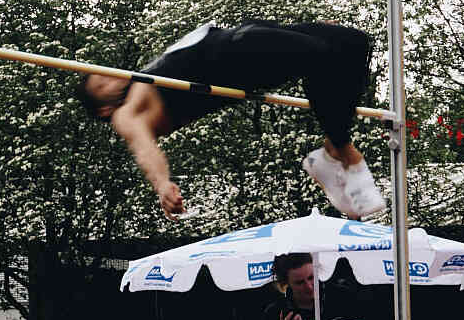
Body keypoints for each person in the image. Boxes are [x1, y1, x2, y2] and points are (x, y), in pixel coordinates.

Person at [77, 20, 385, 220]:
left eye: (105, 73)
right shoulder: (126, 112)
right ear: (103, 109)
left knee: (352, 44)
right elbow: (144, 147)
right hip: (232, 53)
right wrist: (162, 184)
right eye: (102, 85)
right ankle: (344, 154)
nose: (112, 78)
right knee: (322, 55)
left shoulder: (140, 80)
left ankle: (332, 153)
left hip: (239, 38)